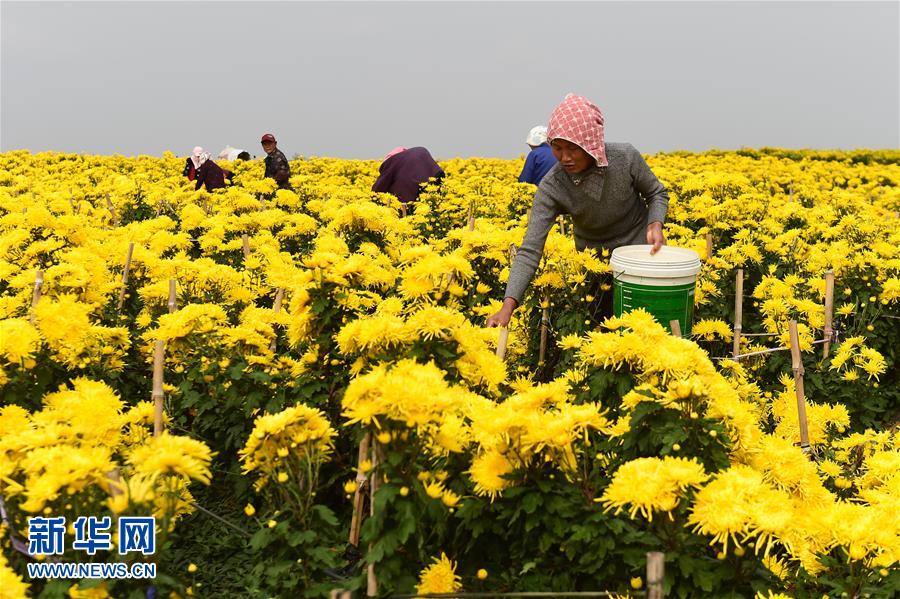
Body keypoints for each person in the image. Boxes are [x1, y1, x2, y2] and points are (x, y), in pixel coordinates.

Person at [487, 93, 669, 328]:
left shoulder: (624, 158)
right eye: (557, 148)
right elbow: (530, 249)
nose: (564, 158)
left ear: (591, 143)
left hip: (639, 254)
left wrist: (655, 223)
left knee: (649, 326)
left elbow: (657, 193)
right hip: (593, 265)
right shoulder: (552, 186)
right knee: (602, 328)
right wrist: (507, 306)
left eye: (573, 149)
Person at [371, 147, 445, 206]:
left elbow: (379, 186)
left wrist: (372, 198)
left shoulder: (392, 161)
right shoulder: (410, 157)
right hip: (436, 176)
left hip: (414, 196)